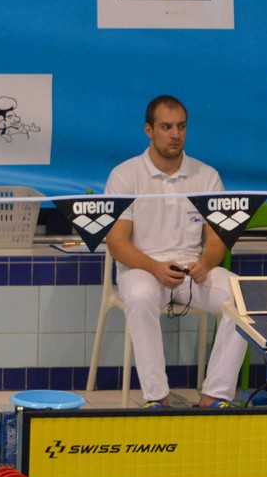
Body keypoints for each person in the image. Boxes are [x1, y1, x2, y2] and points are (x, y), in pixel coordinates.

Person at [104, 94, 248, 408]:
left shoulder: (206, 176)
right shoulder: (125, 175)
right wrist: (155, 267)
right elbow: (117, 243)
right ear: (148, 130)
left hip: (191, 273)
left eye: (181, 126)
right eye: (166, 127)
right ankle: (158, 398)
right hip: (142, 270)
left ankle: (214, 395)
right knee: (140, 296)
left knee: (241, 297)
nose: (175, 134)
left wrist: (206, 262)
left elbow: (218, 239)